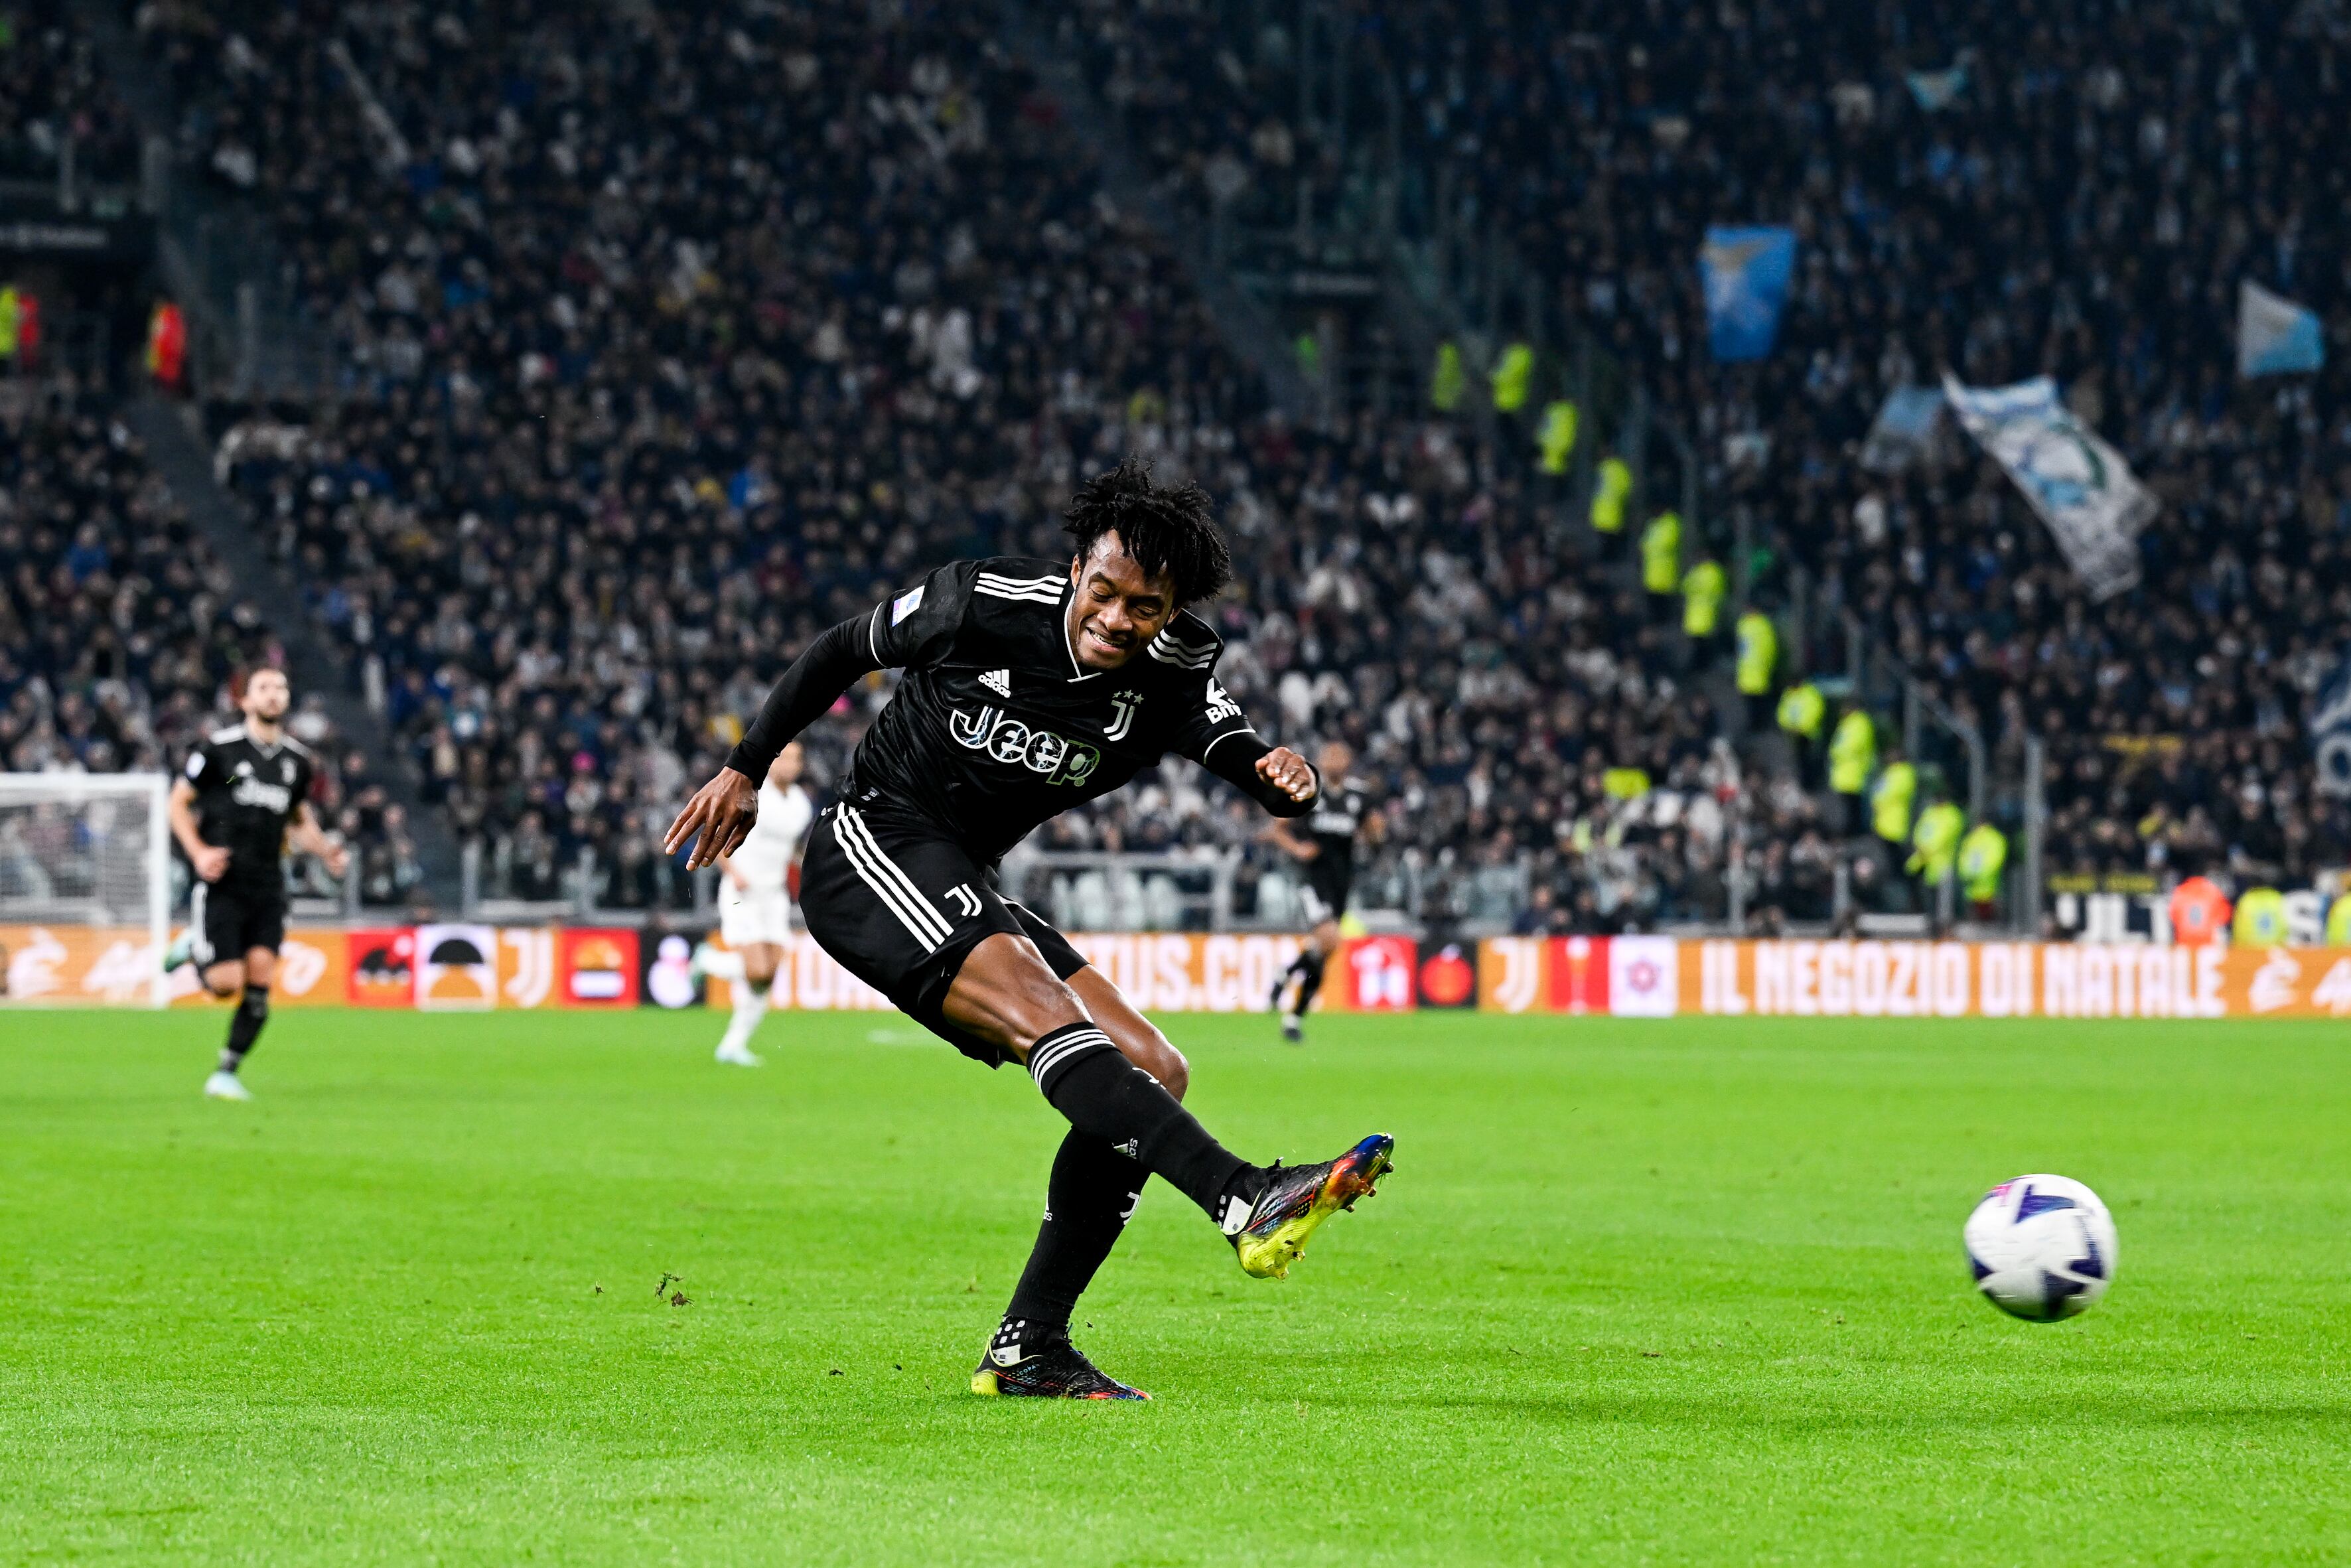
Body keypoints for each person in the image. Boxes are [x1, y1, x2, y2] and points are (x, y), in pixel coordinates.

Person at [664, 461, 1395, 1401]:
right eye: (1104, 589)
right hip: (872, 842)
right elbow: (845, 646)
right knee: (1046, 1011)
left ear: (1171, 611)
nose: (1117, 617)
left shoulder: (1173, 668)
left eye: (1147, 605)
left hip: (964, 876)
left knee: (1153, 1066)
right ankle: (1242, 1193)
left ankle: (1029, 1345)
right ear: (1077, 566)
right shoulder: (982, 601)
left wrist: (1276, 772)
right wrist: (745, 766)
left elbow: (1234, 748)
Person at [162, 668, 348, 1100]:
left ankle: (226, 1070)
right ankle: (194, 947)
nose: (274, 695)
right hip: (223, 879)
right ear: (245, 700)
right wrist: (199, 852)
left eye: (281, 688)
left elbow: (297, 819)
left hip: (268, 884)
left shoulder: (297, 762)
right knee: (227, 982)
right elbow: (179, 802)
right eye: (264, 688)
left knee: (261, 980)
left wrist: (326, 852)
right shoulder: (220, 753)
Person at [694, 741, 816, 1066]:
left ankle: (733, 1046)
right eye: (785, 757)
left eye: (796, 759)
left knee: (770, 973)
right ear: (773, 762)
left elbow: (788, 849)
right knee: (756, 969)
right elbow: (715, 835)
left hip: (773, 894)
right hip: (741, 893)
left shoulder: (801, 805)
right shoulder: (751, 794)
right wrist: (733, 872)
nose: (790, 764)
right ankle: (707, 959)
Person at [1263, 740, 1373, 1043]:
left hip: (1341, 883)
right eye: (1331, 754)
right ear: (1322, 759)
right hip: (1313, 880)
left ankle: (1292, 1011)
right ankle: (1290, 995)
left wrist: (1375, 835)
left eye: (1341, 754)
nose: (1335, 759)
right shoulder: (1311, 790)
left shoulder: (1359, 796)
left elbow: (1374, 832)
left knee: (1325, 951)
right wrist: (1298, 849)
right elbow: (1277, 828)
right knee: (1329, 939)